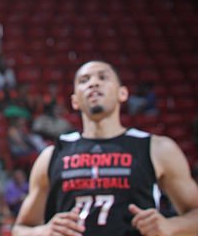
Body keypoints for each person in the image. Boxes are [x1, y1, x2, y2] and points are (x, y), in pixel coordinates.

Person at [13, 60, 198, 235]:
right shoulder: (51, 156)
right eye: (84, 81)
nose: (94, 83)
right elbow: (19, 229)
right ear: (75, 100)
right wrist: (43, 232)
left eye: (103, 77)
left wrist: (171, 226)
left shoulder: (157, 148)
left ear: (122, 93)